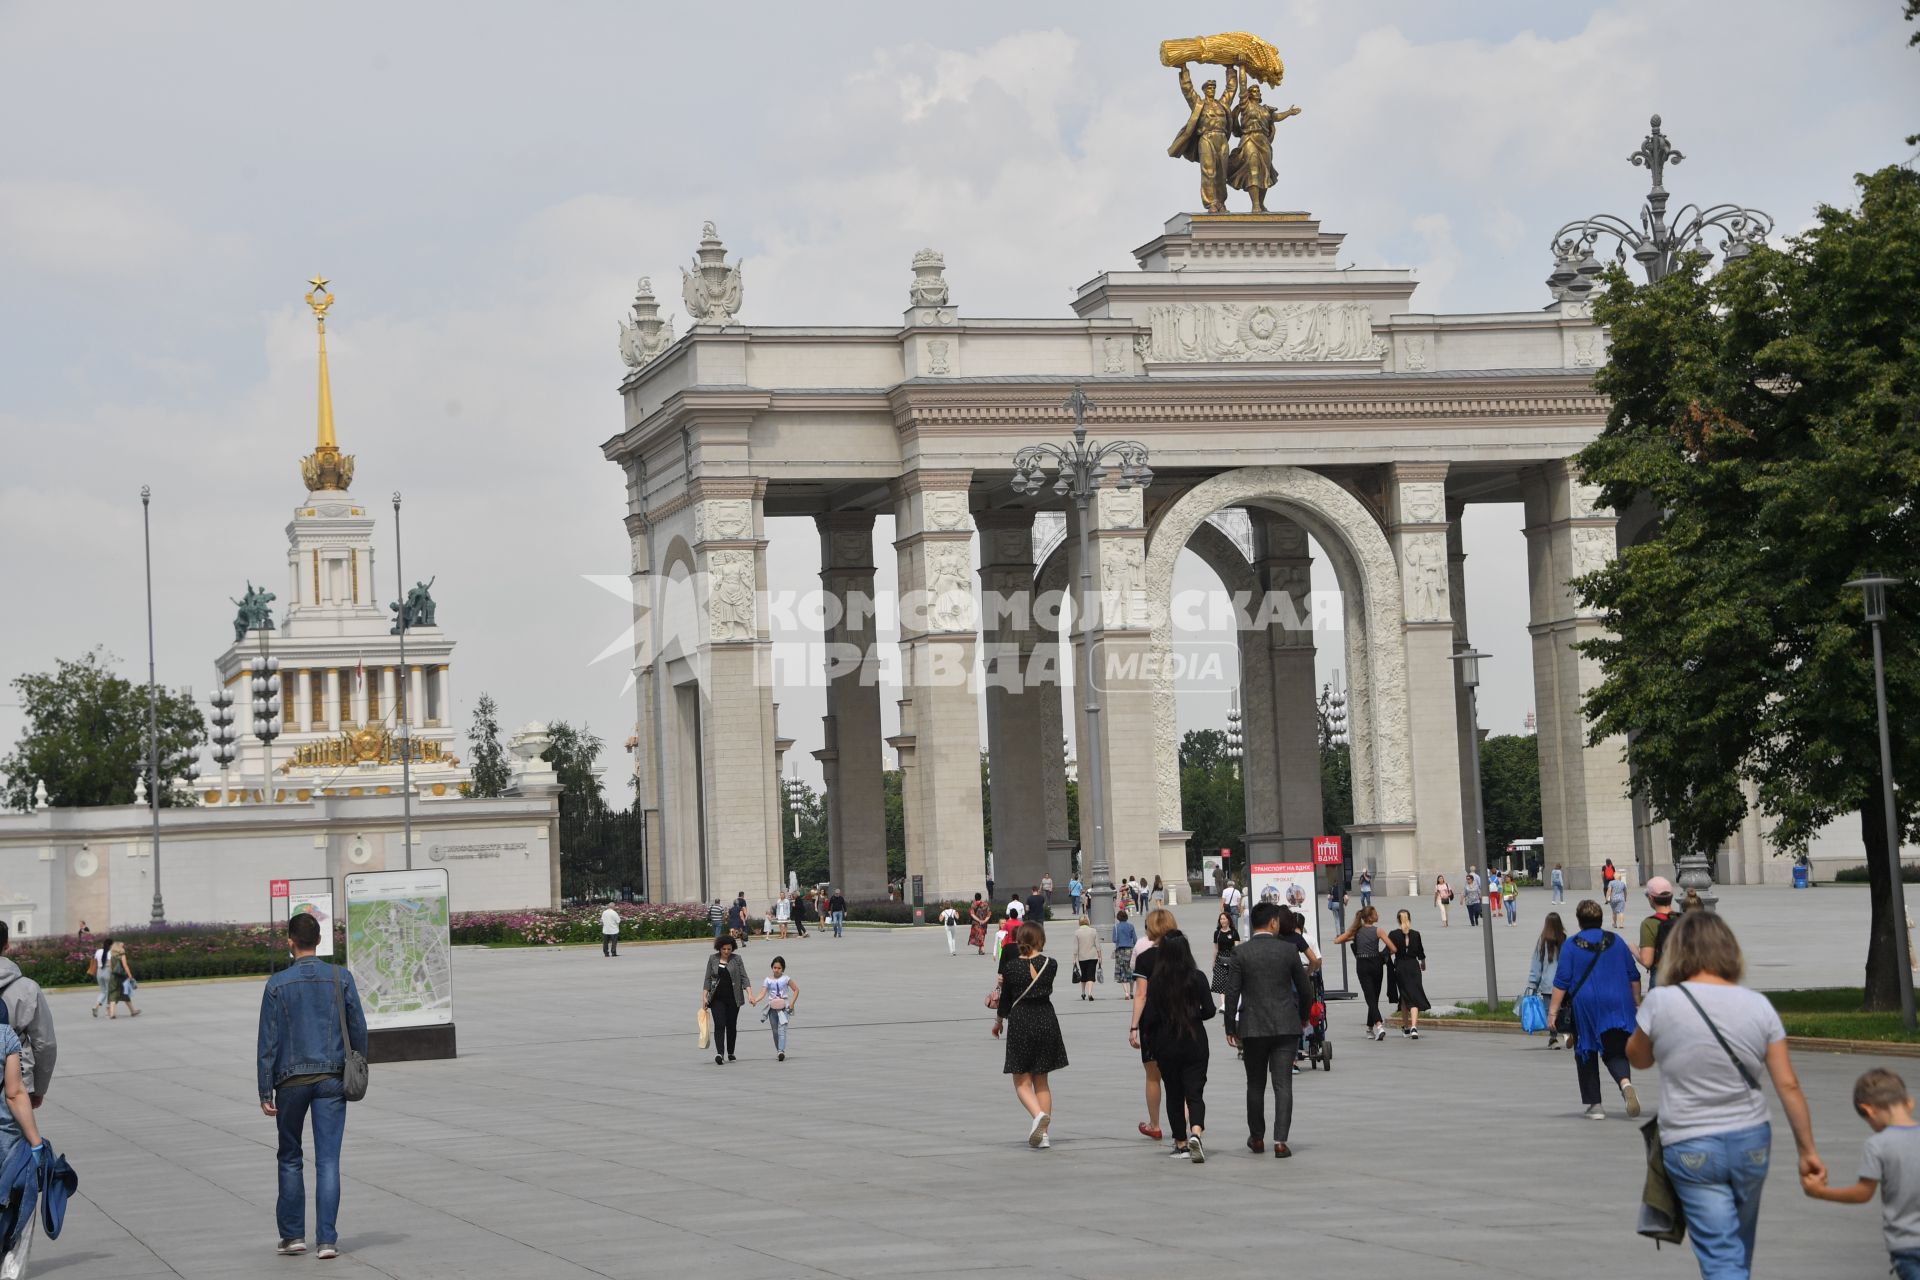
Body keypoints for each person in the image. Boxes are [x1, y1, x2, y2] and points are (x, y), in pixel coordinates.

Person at [1628, 909, 1823, 1279]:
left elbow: (1637, 1059)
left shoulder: (1661, 1002)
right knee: (1737, 1250)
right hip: (1751, 1140)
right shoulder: (1758, 1006)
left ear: (1677, 952)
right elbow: (1788, 1085)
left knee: (1722, 1257)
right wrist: (1808, 1152)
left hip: (1690, 1143)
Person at [257, 912, 367, 1259]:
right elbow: (359, 1029)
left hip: (290, 1081)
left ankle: (292, 1237)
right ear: (319, 940)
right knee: (328, 1161)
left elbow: (268, 1042)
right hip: (332, 1079)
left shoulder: (277, 985)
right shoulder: (340, 977)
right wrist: (358, 1064)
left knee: (290, 1156)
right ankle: (327, 1240)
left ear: (290, 942)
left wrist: (264, 1089)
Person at [1801, 1068, 1920, 1280]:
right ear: (1909, 1103)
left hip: (1907, 1245)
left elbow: (1863, 1193)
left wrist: (1820, 1191)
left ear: (1869, 1110)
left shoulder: (1877, 1144)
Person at [1223, 902, 1317, 1158]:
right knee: (1282, 1084)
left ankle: (1256, 1138)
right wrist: (1303, 1017)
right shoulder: (1287, 951)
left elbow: (1232, 992)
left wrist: (1230, 1026)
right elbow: (1305, 989)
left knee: (1255, 1084)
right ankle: (1280, 1142)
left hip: (1252, 1028)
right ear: (1274, 923)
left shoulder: (1240, 953)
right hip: (1286, 1025)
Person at [1547, 899, 1641, 1121]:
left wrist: (1553, 1012)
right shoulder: (1616, 941)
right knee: (1615, 1048)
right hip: (1618, 1002)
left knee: (1586, 1050)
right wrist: (1636, 1002)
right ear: (1601, 919)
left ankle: (1595, 1105)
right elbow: (1633, 976)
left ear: (1579, 921)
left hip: (1587, 1005)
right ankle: (1625, 1083)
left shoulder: (1571, 945)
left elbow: (1562, 981)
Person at [1138, 932, 1215, 1162]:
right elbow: (1210, 1010)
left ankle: (1181, 1143)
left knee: (1174, 1093)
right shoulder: (1197, 977)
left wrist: (1150, 1042)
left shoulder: (1157, 983)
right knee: (1195, 1092)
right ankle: (1196, 1132)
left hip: (1166, 1042)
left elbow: (1149, 1018)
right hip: (1194, 1040)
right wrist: (1193, 1016)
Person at [992, 922, 1067, 1149]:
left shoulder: (1011, 968)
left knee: (1021, 1080)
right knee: (1041, 1079)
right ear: (1040, 939)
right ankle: (1043, 1134)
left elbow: (1005, 1000)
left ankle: (1037, 1116)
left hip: (1022, 1020)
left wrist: (998, 1022)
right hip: (1046, 1019)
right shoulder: (1051, 964)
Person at [1128, 907, 1181, 1142]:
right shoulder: (1181, 955)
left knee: (1153, 1076)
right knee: (1180, 1075)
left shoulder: (1145, 958)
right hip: (1179, 1019)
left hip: (1153, 1022)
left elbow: (1141, 994)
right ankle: (1188, 1124)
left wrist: (1133, 1027)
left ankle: (1155, 1125)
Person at [1333, 905, 1396, 1041]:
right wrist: (1382, 956)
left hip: (1362, 964)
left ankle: (1369, 1027)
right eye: (1375, 913)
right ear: (1370, 917)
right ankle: (1378, 1026)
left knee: (1370, 996)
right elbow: (1393, 948)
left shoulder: (1357, 931)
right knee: (1374, 996)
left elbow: (1337, 940)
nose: (1377, 915)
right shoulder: (1379, 931)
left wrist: (1352, 938)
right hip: (1376, 963)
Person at [701, 935, 750, 1065]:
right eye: (724, 949)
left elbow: (744, 977)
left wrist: (750, 994)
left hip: (734, 998)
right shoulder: (713, 959)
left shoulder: (737, 959)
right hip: (717, 998)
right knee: (719, 1024)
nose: (727, 951)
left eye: (729, 949)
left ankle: (731, 1052)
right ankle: (720, 1053)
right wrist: (704, 996)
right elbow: (707, 979)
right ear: (719, 948)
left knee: (731, 1025)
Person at [1525, 912, 1570, 1049]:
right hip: (1564, 984)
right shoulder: (1565, 940)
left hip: (1548, 985)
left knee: (1551, 1012)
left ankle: (1553, 1038)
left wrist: (1532, 984)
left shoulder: (1542, 941)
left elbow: (1537, 965)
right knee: (1565, 1010)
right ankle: (1567, 1033)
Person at [1387, 909, 1431, 1038]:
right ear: (1410, 919)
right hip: (1413, 967)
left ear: (1398, 920)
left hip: (1400, 967)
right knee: (1414, 996)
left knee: (1404, 997)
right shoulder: (1415, 934)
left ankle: (1406, 1027)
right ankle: (1413, 1027)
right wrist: (1423, 964)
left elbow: (1389, 951)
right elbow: (1421, 953)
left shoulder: (1393, 934)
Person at [747, 955, 799, 1061]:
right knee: (775, 1031)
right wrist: (755, 1000)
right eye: (775, 968)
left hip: (784, 1007)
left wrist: (792, 1003)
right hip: (772, 1008)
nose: (777, 970)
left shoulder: (786, 979)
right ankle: (778, 1050)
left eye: (779, 968)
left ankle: (781, 1051)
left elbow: (796, 990)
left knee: (782, 1029)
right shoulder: (767, 980)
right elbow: (763, 993)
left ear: (783, 969)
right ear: (772, 968)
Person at [1638, 875, 1678, 987]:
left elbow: (1647, 961)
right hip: (1684, 976)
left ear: (1651, 898)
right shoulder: (1684, 919)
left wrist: (1634, 951)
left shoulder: (1649, 923)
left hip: (1661, 978)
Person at [104, 940, 140, 1018]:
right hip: (122, 977)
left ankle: (112, 1014)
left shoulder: (111, 955)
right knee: (125, 993)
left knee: (113, 994)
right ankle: (133, 1011)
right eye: (122, 946)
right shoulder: (122, 954)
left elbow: (110, 967)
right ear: (119, 947)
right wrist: (130, 975)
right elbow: (125, 965)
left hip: (113, 977)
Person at [1210, 909, 1238, 1006]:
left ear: (1228, 920)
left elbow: (1237, 948)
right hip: (1220, 958)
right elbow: (1216, 948)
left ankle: (1231, 1001)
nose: (1222, 921)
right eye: (1221, 919)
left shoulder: (1234, 933)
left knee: (1231, 981)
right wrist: (1213, 961)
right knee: (1220, 980)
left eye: (1224, 919)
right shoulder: (1217, 933)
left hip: (1231, 958)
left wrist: (1237, 960)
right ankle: (1223, 1004)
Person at [1072, 916, 1100, 1000]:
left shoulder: (1077, 932)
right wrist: (1100, 956)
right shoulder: (1093, 931)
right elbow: (1098, 945)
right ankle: (1090, 993)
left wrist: (1074, 958)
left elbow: (1075, 947)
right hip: (1093, 956)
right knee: (1091, 975)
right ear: (1088, 922)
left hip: (1082, 957)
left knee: (1083, 975)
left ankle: (1083, 992)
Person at [1112, 909, 1138, 999]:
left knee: (1122, 971)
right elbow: (1135, 939)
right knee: (1131, 971)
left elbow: (1114, 939)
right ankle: (1131, 991)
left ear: (1118, 918)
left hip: (1120, 951)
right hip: (1130, 950)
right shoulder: (1131, 926)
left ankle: (1126, 993)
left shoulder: (1116, 927)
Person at [92, 934, 113, 1016]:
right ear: (111, 945)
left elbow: (95, 961)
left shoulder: (98, 951)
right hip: (107, 971)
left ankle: (96, 1006)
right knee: (109, 992)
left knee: (103, 991)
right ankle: (108, 1010)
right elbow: (110, 964)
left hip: (99, 972)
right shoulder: (110, 952)